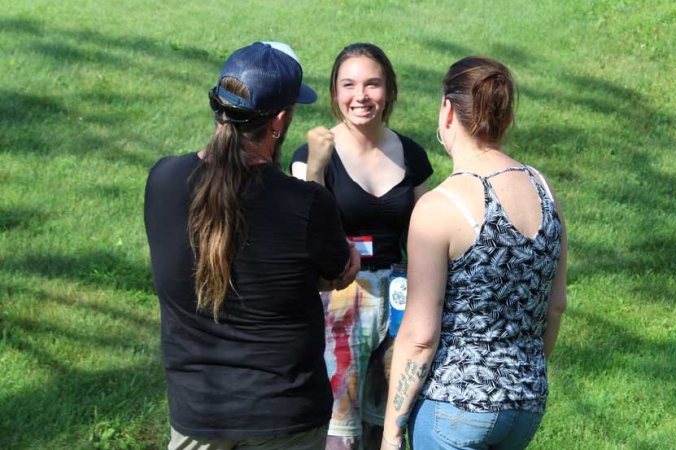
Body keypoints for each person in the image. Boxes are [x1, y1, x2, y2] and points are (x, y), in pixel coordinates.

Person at [144, 41, 360, 450]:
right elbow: (338, 272)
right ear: (279, 120)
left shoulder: (164, 180)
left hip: (197, 413)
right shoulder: (305, 202)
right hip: (285, 418)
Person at [380, 56, 568, 450]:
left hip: (454, 407)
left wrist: (391, 431)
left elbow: (419, 336)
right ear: (506, 119)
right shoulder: (542, 188)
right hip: (525, 404)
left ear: (447, 110)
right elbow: (556, 307)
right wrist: (520, 377)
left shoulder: (439, 206)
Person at [291, 43, 433, 450]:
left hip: (400, 302)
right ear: (335, 93)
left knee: (387, 427)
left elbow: (428, 229)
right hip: (339, 298)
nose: (361, 96)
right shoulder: (310, 155)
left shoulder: (410, 154)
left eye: (373, 84)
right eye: (348, 85)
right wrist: (317, 167)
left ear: (389, 90)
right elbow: (307, 232)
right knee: (340, 434)